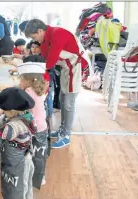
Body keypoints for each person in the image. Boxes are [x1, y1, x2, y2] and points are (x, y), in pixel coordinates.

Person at [24, 19, 91, 148]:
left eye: (34, 37)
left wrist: (34, 78)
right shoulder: (44, 40)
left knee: (68, 103)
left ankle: (66, 135)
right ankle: (62, 129)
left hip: (75, 67)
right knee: (62, 99)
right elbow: (43, 60)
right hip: (66, 69)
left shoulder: (58, 34)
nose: (35, 41)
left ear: (39, 31)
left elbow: (49, 63)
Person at [0, 87, 36, 199]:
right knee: (22, 185)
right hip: (21, 157)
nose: (4, 113)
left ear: (12, 111)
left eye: (5, 110)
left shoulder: (16, 125)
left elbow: (3, 132)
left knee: (18, 189)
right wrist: (2, 111)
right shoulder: (26, 115)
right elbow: (10, 116)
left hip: (18, 162)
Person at [16, 62, 49, 186]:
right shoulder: (38, 88)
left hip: (32, 128)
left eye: (21, 79)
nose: (19, 81)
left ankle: (28, 176)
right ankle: (41, 176)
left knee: (29, 151)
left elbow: (19, 109)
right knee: (40, 153)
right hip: (42, 127)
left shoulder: (28, 92)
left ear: (28, 81)